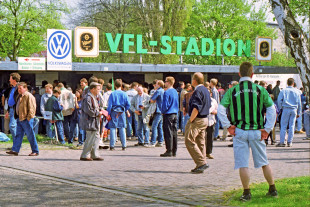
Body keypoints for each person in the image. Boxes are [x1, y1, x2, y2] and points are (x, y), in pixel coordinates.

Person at [218, 62, 277, 201]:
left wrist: (228, 125)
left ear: (239, 74)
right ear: (252, 74)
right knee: (264, 162)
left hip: (240, 131)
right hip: (257, 131)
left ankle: (246, 193)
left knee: (242, 163)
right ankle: (272, 189)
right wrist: (267, 129)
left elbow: (221, 109)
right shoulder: (260, 89)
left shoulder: (232, 90)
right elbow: (272, 109)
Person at [185, 72, 211, 173]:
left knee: (189, 140)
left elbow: (196, 107)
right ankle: (201, 163)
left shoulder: (197, 91)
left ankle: (201, 163)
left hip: (198, 119)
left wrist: (191, 119)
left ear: (194, 81)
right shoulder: (205, 90)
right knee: (200, 141)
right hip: (205, 119)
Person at [6, 82, 39, 156]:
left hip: (26, 119)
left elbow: (32, 108)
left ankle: (35, 151)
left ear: (25, 88)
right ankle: (15, 150)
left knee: (30, 135)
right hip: (20, 118)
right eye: (18, 88)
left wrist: (29, 118)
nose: (19, 90)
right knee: (18, 135)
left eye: (20, 88)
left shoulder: (28, 96)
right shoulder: (20, 96)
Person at [80, 82, 105, 161]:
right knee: (90, 138)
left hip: (95, 121)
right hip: (90, 121)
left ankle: (95, 154)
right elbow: (88, 110)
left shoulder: (94, 97)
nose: (99, 90)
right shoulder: (88, 98)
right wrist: (98, 113)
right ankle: (85, 155)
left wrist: (101, 110)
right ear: (92, 89)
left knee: (96, 138)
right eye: (98, 89)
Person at [276, 78, 302, 147]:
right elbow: (299, 103)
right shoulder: (297, 91)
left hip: (286, 109)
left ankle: (282, 142)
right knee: (292, 126)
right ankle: (290, 142)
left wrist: (281, 108)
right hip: (294, 109)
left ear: (287, 83)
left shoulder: (283, 91)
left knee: (283, 125)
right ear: (293, 83)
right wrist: (299, 112)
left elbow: (279, 100)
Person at [107, 79, 131, 151]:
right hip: (121, 112)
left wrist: (108, 113)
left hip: (114, 111)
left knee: (113, 128)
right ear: (121, 85)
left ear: (114, 85)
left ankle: (112, 145)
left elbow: (109, 105)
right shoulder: (124, 94)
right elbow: (128, 104)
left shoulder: (112, 94)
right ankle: (124, 145)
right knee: (122, 128)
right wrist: (124, 109)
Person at [160, 76, 178, 157]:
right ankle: (174, 150)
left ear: (169, 82)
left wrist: (162, 111)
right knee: (174, 132)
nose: (165, 82)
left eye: (166, 81)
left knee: (168, 132)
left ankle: (169, 150)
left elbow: (165, 105)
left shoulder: (167, 92)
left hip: (168, 114)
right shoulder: (175, 91)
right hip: (175, 113)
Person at [149, 80, 165, 147]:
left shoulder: (158, 91)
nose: (155, 85)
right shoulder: (163, 91)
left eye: (156, 84)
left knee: (154, 126)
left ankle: (153, 142)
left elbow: (152, 100)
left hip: (157, 110)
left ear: (159, 84)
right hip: (162, 110)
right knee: (159, 126)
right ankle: (160, 141)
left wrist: (152, 100)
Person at [5, 73, 20, 141]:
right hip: (11, 109)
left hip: (15, 109)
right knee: (14, 126)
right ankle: (16, 144)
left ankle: (17, 144)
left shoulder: (19, 87)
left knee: (12, 126)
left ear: (14, 79)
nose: (9, 80)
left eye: (10, 79)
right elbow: (10, 99)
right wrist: (8, 110)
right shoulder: (12, 88)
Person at [205, 88, 218, 159]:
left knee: (210, 137)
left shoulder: (214, 101)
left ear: (211, 94)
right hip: (203, 120)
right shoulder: (203, 100)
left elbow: (216, 110)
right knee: (202, 138)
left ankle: (209, 152)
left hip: (211, 121)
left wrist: (214, 112)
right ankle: (202, 153)